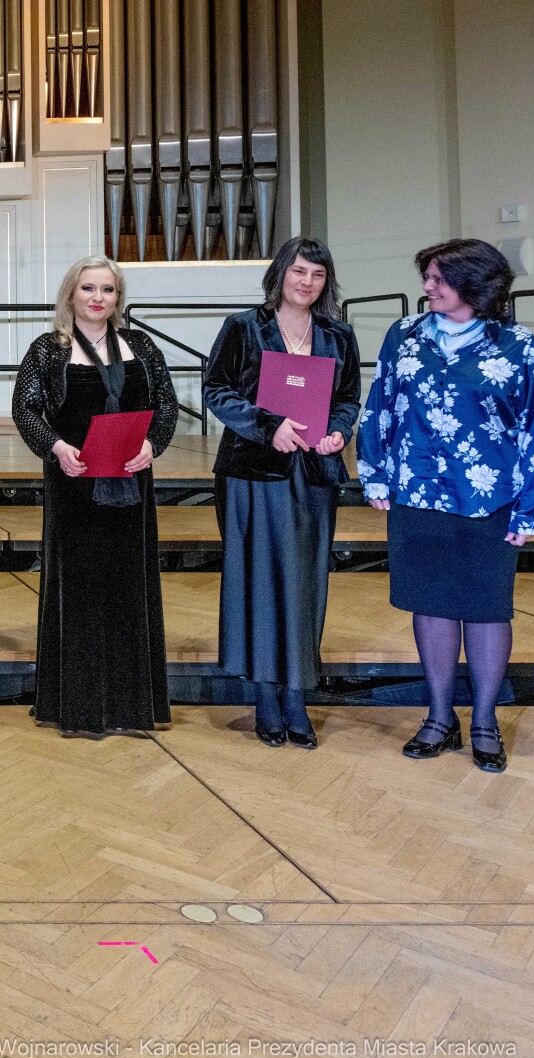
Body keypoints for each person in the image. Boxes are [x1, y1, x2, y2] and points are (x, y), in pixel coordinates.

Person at [359, 238, 534, 773]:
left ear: (476, 284)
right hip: (417, 493)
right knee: (432, 604)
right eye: (428, 277)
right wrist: (374, 473)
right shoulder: (406, 335)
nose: (428, 288)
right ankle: (440, 716)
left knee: (487, 609)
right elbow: (382, 405)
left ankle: (484, 720)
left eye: (438, 279)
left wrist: (532, 508)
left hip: (492, 498)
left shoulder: (518, 345)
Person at [203, 237, 362, 749]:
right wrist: (267, 425)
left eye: (317, 275)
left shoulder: (338, 335)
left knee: (305, 583)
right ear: (280, 274)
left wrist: (339, 431)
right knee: (257, 582)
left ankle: (298, 695)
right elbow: (216, 391)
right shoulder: (243, 327)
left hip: (312, 473)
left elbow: (347, 399)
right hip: (253, 474)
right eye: (298, 272)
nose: (307, 283)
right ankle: (266, 699)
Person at [12, 255, 178, 737]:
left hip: (130, 483)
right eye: (88, 288)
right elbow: (25, 410)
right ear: (71, 294)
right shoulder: (48, 349)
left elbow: (164, 404)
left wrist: (153, 445)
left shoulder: (141, 345)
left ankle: (130, 708)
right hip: (74, 484)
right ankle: (78, 708)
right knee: (79, 591)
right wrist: (56, 448)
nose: (97, 298)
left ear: (117, 298)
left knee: (130, 588)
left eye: (107, 290)